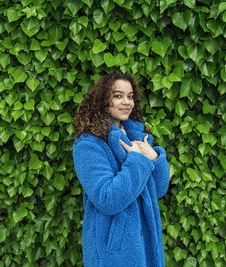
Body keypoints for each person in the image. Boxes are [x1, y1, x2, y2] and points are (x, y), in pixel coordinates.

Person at [72, 72, 170, 266]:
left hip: (144, 242)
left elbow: (157, 191)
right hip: (113, 251)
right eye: (118, 96)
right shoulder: (88, 144)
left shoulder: (136, 136)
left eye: (130, 96)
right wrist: (137, 160)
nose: (126, 102)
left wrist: (155, 159)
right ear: (102, 99)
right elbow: (107, 199)